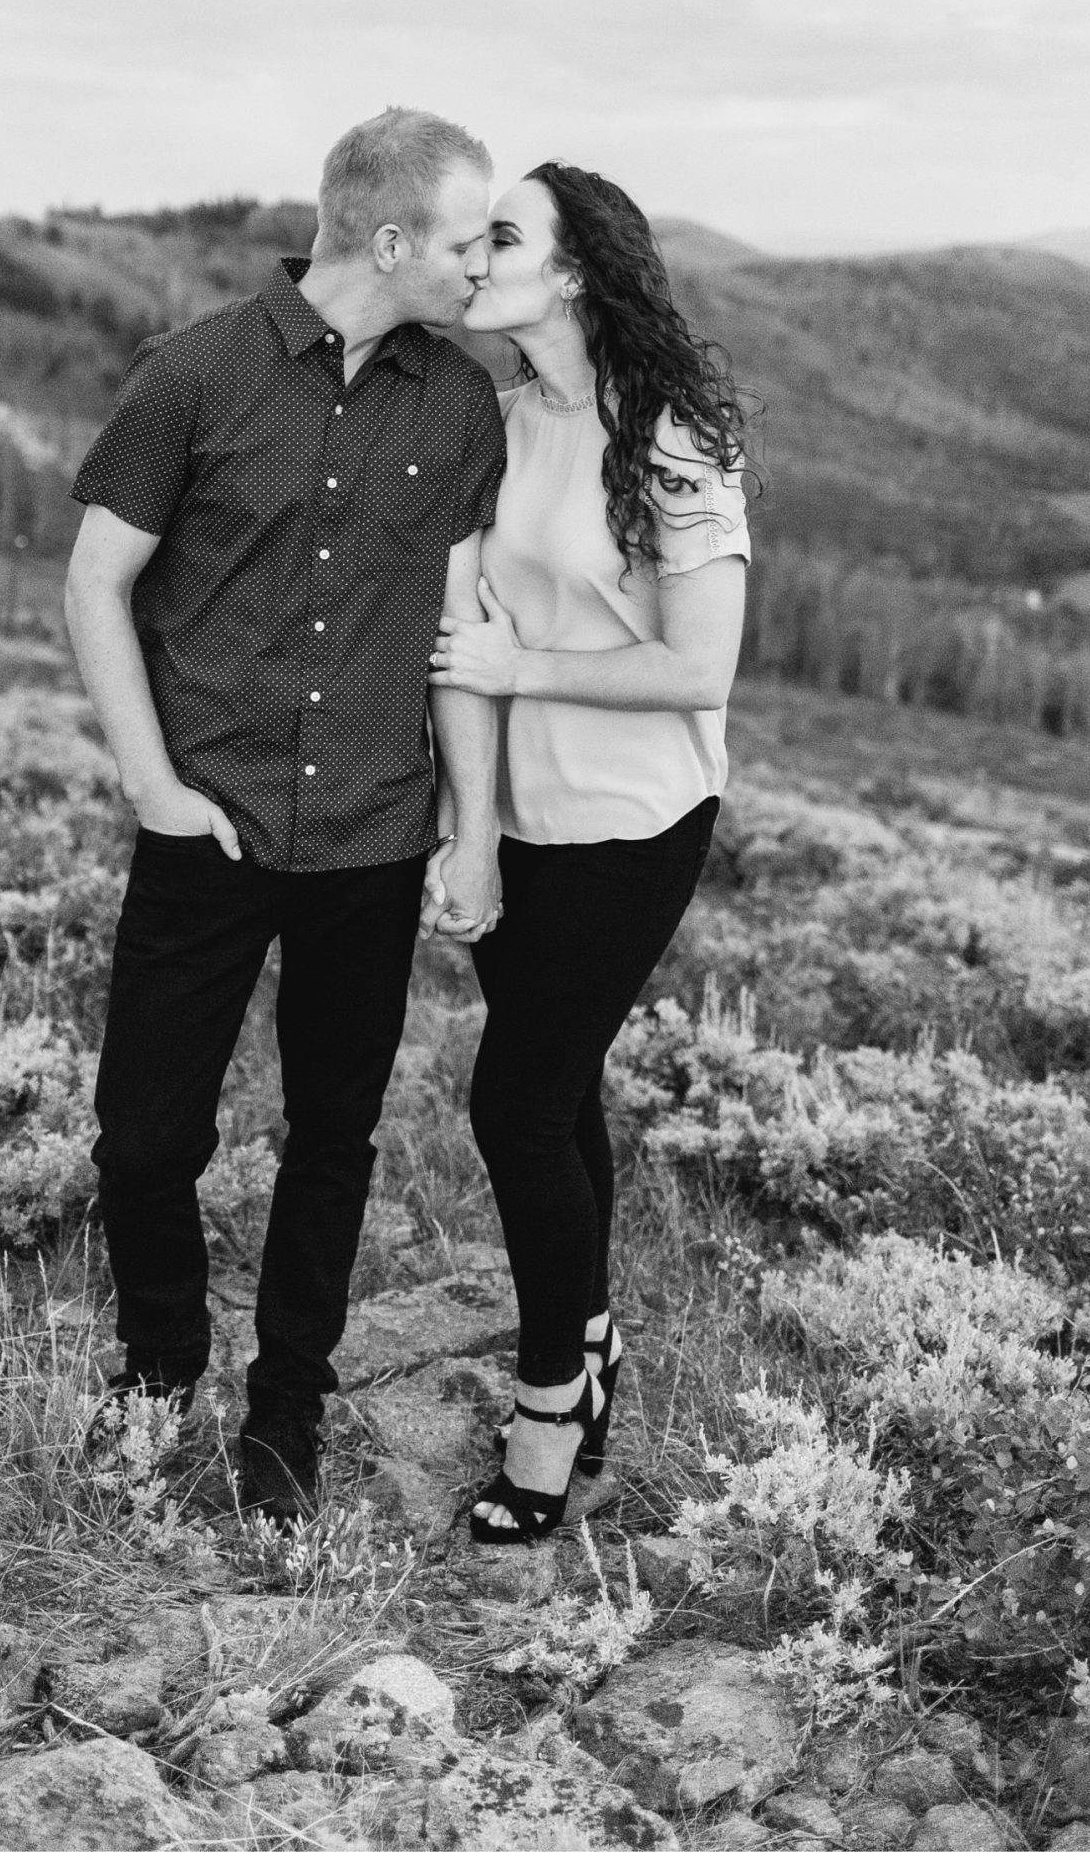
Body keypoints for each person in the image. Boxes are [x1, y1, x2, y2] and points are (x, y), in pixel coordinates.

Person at [65, 108, 506, 1526]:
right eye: (463, 239)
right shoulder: (192, 374)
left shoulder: (462, 404)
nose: (480, 264)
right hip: (211, 824)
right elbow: (94, 584)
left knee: (334, 1140)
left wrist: (475, 827)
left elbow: (460, 628)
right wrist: (153, 785)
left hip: (372, 842)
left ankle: (284, 1422)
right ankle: (157, 1373)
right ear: (389, 241)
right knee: (144, 1136)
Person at [428, 163, 751, 1542]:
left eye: (502, 233)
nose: (473, 249)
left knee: (512, 1102)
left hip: (638, 824)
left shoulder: (673, 439)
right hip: (528, 822)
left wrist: (529, 662)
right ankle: (596, 1334)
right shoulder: (493, 425)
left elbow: (697, 671)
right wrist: (475, 832)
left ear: (569, 275)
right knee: (557, 1099)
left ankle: (553, 1395)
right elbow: (464, 655)